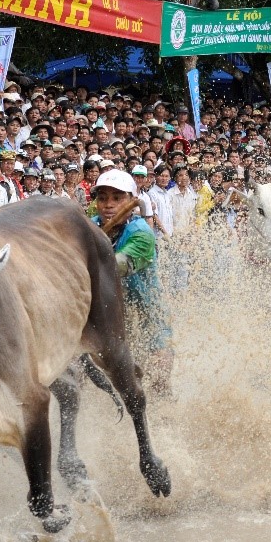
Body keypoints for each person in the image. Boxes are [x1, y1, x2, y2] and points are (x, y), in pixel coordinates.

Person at [91, 169, 173, 396]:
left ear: (131, 201)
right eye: (103, 198)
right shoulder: (91, 226)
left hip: (148, 309)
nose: (109, 205)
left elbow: (115, 267)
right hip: (113, 312)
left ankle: (164, 408)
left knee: (158, 372)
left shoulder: (141, 233)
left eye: (117, 198)